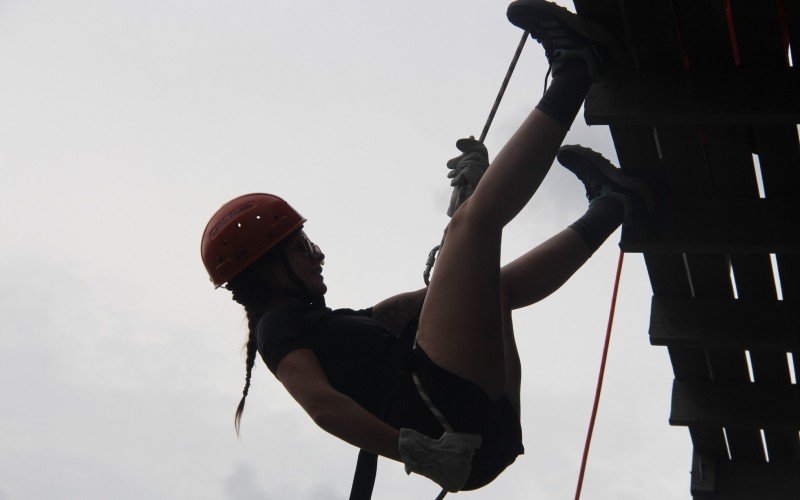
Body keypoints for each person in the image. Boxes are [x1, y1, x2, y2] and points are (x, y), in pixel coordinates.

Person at [200, 0, 653, 494]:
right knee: (474, 231)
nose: (317, 254)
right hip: (445, 419)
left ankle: (614, 206)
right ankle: (578, 68)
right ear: (267, 270)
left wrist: (465, 208)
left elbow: (428, 303)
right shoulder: (278, 328)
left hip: (473, 431)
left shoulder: (325, 327)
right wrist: (410, 450)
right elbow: (322, 406)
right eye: (301, 247)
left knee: (492, 284)